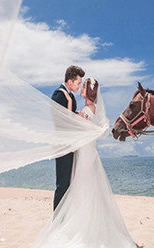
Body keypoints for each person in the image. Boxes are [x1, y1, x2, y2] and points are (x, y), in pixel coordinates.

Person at [34, 78, 137, 248]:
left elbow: (73, 127)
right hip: (86, 153)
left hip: (84, 154)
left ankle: (80, 226)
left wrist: (69, 107)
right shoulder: (89, 109)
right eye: (80, 85)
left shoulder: (87, 111)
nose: (80, 88)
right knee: (85, 188)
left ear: (89, 91)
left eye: (83, 86)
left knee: (82, 188)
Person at [51, 65, 85, 210]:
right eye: (78, 83)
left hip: (70, 144)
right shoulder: (59, 95)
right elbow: (60, 121)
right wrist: (74, 114)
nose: (79, 86)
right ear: (70, 81)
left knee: (69, 182)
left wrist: (76, 114)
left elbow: (69, 116)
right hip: (62, 144)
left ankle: (65, 215)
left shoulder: (70, 96)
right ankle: (57, 218)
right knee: (62, 184)